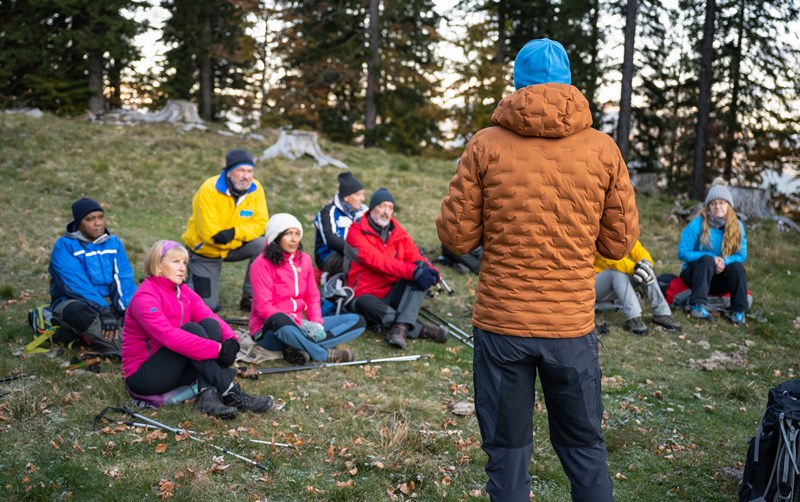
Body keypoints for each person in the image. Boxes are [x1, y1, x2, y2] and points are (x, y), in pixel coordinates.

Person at [437, 39, 639, 501]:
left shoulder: (485, 146)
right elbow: (618, 242)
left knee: (507, 454)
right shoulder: (603, 150)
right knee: (585, 448)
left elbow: (457, 238)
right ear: (568, 81)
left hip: (503, 324)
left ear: (517, 83)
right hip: (569, 326)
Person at [122, 240, 273, 419]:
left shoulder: (183, 291)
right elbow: (169, 336)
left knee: (210, 326)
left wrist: (231, 340)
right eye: (175, 261)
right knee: (192, 329)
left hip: (174, 366)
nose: (182, 268)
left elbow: (209, 316)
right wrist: (217, 349)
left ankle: (209, 396)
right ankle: (230, 391)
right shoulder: (145, 296)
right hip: (145, 376)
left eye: (184, 263)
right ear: (158, 265)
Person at [249, 214, 366, 365]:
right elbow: (263, 307)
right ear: (276, 236)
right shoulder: (261, 264)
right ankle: (323, 354)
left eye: (297, 234)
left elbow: (312, 296)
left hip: (301, 326)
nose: (294, 239)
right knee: (279, 319)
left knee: (357, 321)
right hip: (270, 330)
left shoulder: (304, 260)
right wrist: (299, 324)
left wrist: (316, 323)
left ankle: (300, 346)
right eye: (288, 233)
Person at [345, 188, 449, 349]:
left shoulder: (397, 232)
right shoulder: (356, 232)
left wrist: (432, 271)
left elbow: (415, 256)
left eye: (390, 208)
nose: (386, 212)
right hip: (366, 294)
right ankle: (420, 329)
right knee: (367, 303)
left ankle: (400, 328)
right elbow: (379, 262)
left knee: (422, 271)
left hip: (392, 291)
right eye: (382, 206)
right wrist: (413, 272)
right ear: (372, 208)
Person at [182, 148, 269, 312]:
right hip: (205, 252)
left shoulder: (256, 189)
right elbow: (211, 234)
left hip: (234, 246)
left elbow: (261, 224)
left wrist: (234, 234)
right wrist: (239, 236)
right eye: (241, 170)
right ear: (229, 172)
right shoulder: (209, 189)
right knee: (207, 308)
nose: (247, 176)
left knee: (266, 244)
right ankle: (182, 276)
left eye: (250, 171)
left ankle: (250, 297)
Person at [48, 197, 137, 355]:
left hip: (110, 301)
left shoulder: (114, 243)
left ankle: (124, 341)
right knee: (78, 312)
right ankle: (126, 347)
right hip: (74, 301)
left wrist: (129, 310)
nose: (98, 223)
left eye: (100, 217)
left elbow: (123, 279)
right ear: (79, 223)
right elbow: (75, 285)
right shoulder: (64, 246)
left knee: (141, 305)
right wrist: (102, 310)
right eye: (90, 219)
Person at [678, 184, 748, 325]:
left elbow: (742, 255)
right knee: (707, 259)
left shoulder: (737, 226)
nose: (717, 207)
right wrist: (710, 258)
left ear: (728, 205)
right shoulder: (697, 224)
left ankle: (738, 311)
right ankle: (697, 305)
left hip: (719, 278)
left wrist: (723, 261)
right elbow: (683, 252)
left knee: (737, 267)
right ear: (708, 206)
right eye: (713, 204)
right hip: (696, 274)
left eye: (721, 203)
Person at [594, 240, 682, 335]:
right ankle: (633, 317)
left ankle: (662, 313)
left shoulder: (622, 229)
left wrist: (646, 264)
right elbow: (609, 259)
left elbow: (638, 249)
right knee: (618, 273)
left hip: (615, 284)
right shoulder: (598, 228)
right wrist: (635, 268)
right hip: (592, 284)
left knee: (646, 270)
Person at [313, 171, 368, 277]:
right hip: (328, 256)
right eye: (358, 195)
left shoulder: (365, 211)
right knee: (361, 264)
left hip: (359, 252)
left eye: (362, 194)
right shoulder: (327, 212)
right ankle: (328, 278)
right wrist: (357, 252)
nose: (363, 199)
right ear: (346, 197)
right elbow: (331, 240)